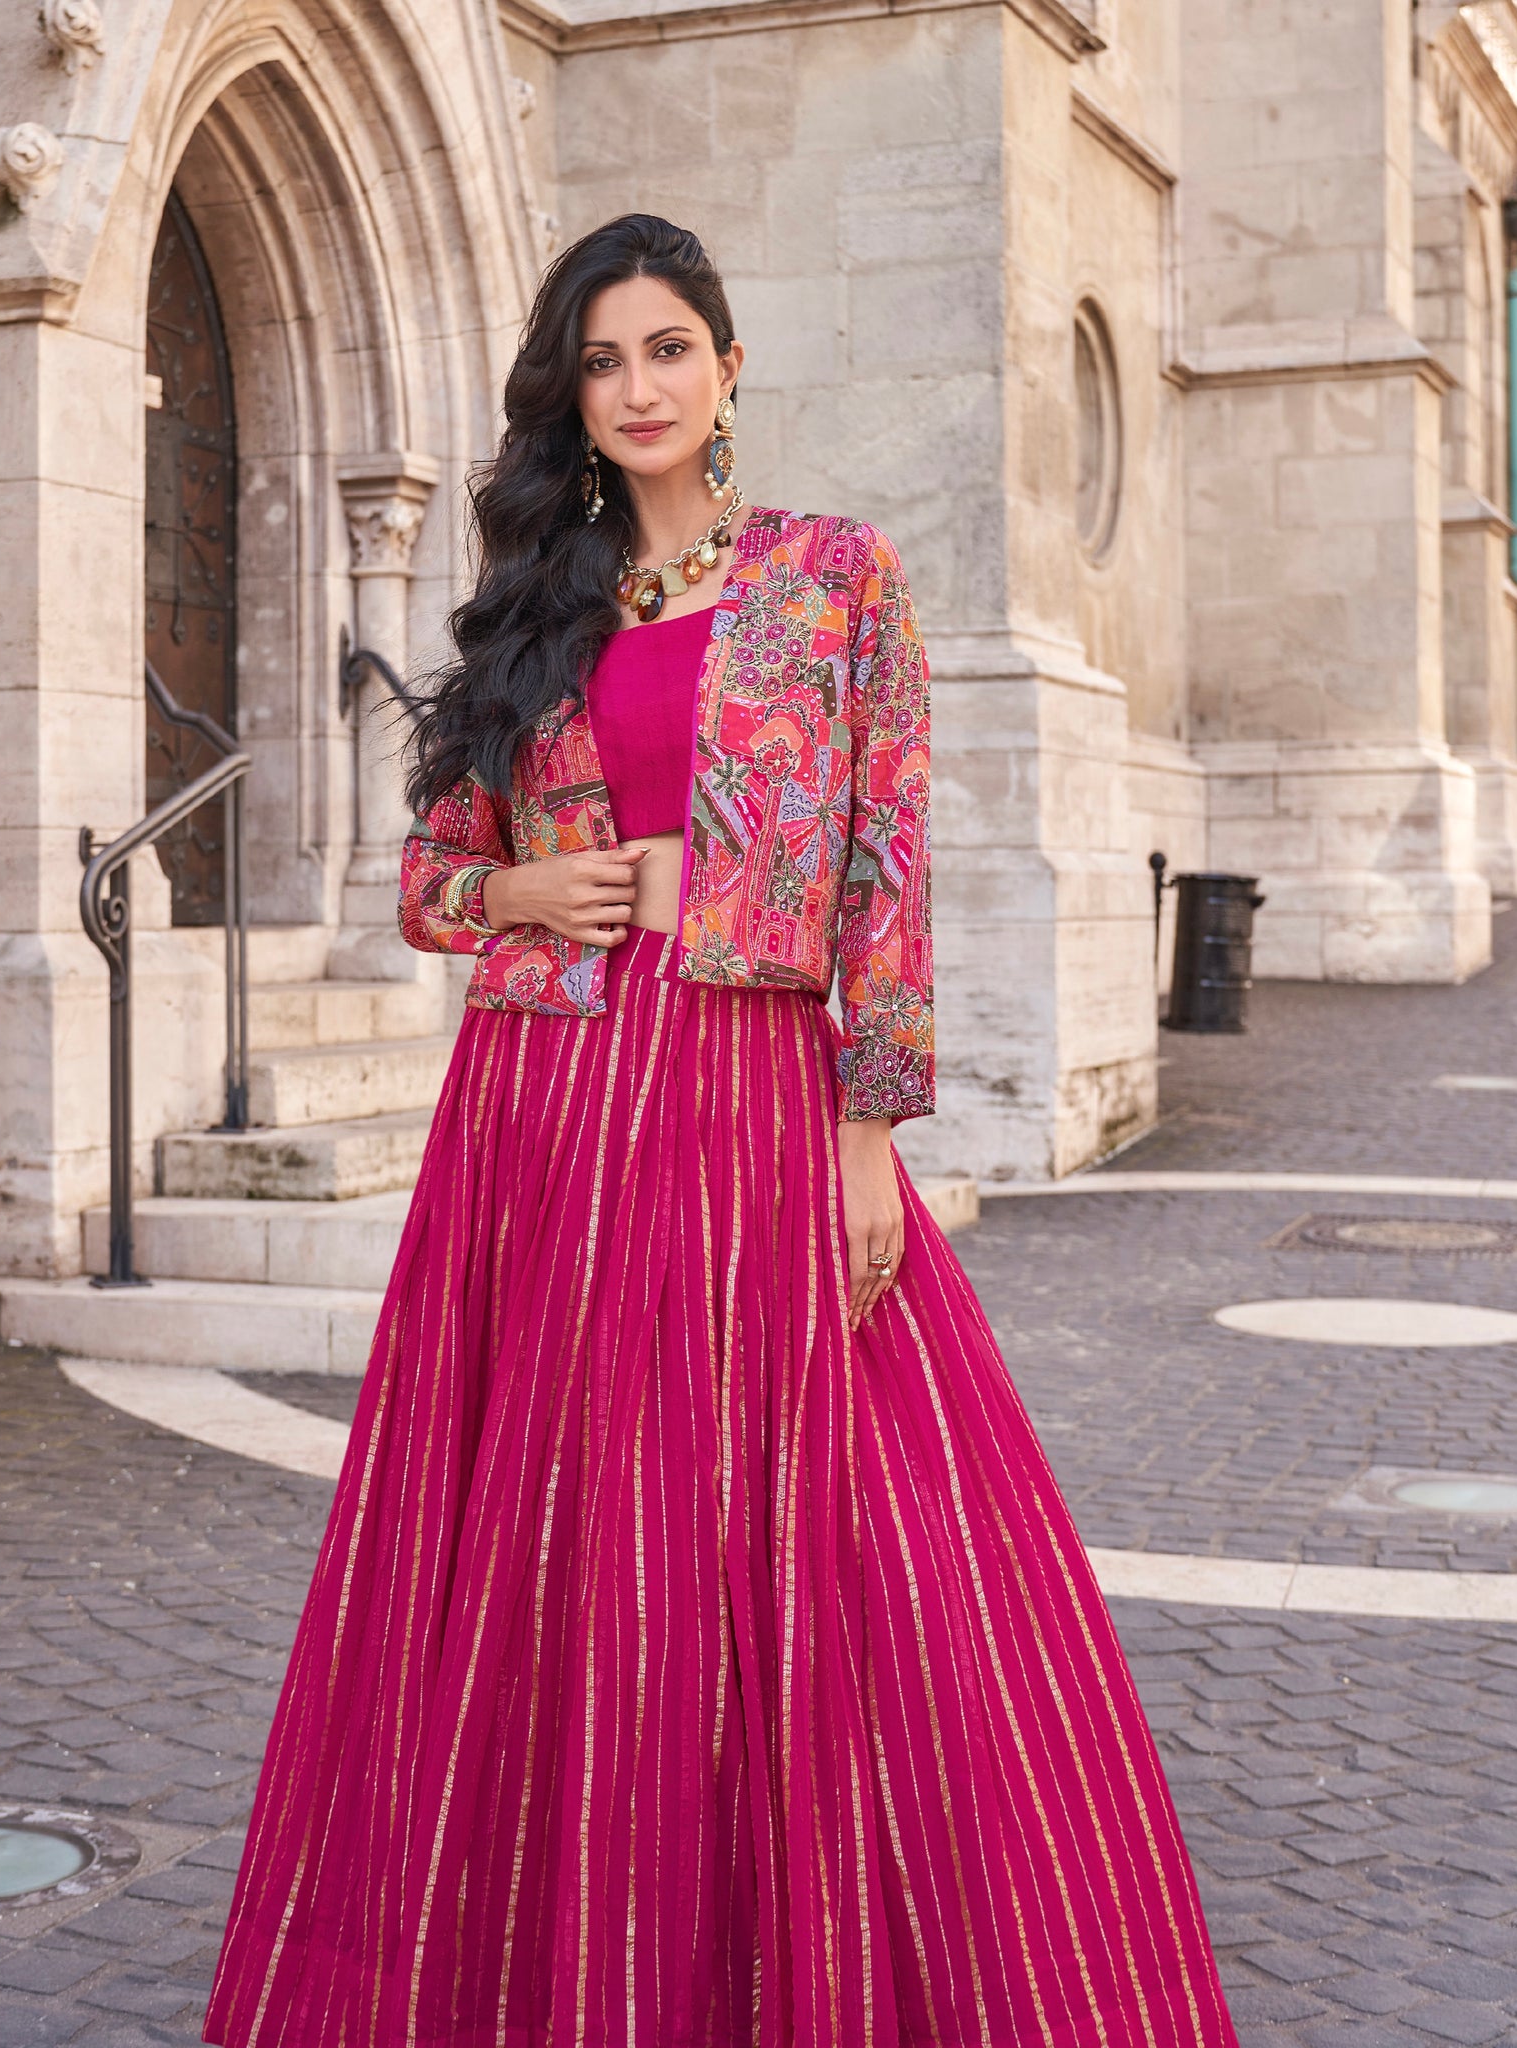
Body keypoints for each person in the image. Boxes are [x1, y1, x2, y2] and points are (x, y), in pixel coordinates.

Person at [203, 213, 1239, 2048]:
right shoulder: (541, 610)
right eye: (604, 363)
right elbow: (430, 885)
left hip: (752, 1091)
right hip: (547, 1106)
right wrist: (524, 897)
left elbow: (884, 872)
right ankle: (548, 1931)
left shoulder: (835, 578)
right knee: (552, 1531)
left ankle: (789, 1944)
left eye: (669, 348)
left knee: (789, 1522)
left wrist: (868, 1134)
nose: (639, 388)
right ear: (574, 399)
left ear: (731, 366)